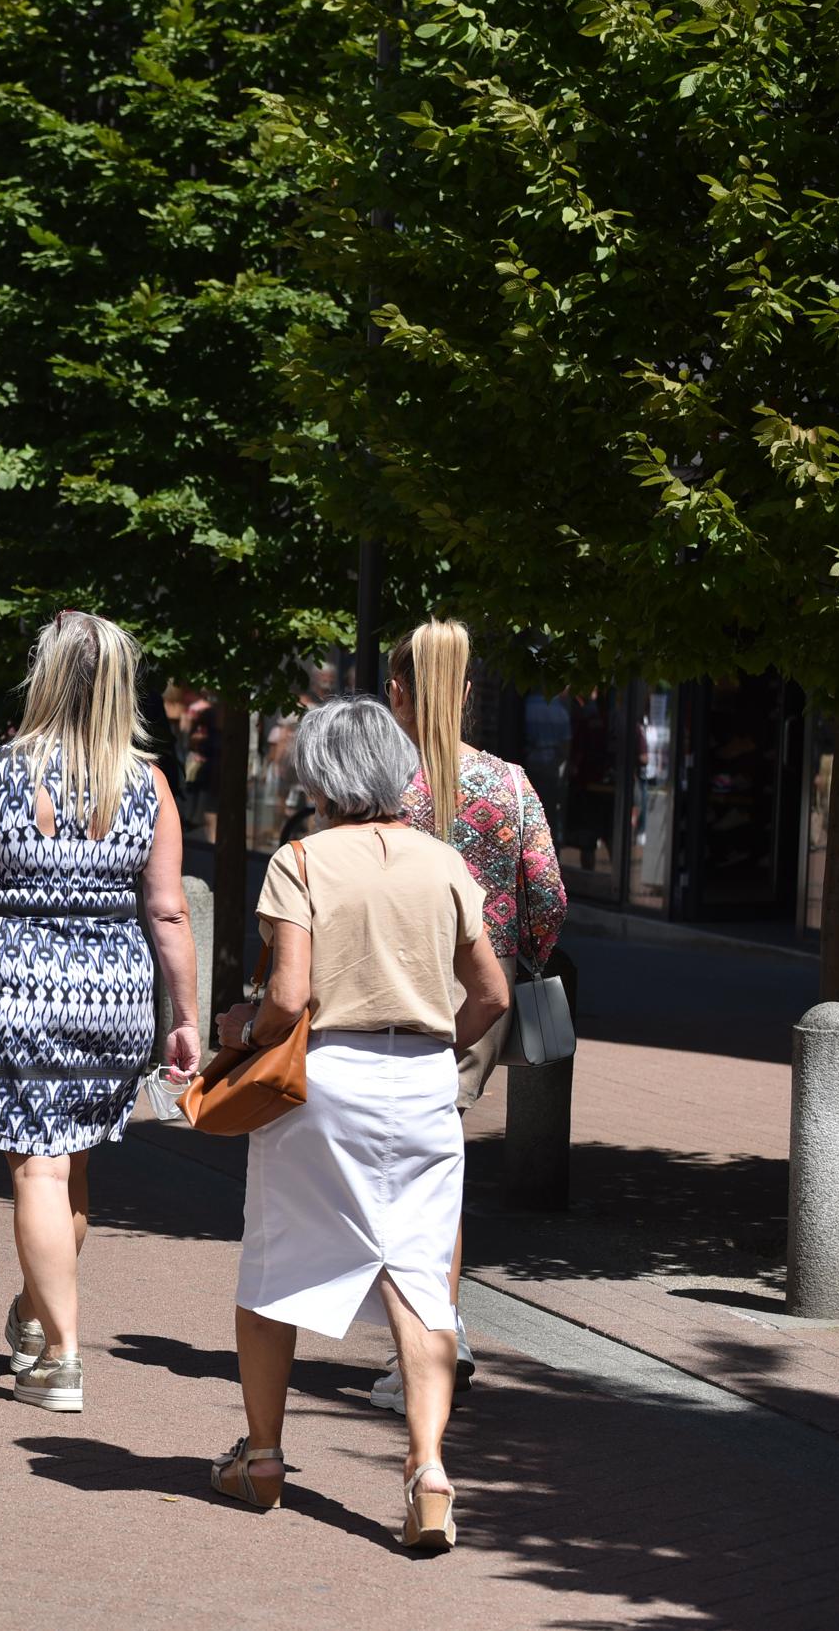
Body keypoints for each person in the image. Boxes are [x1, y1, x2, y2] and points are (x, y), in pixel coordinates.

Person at [206, 694, 507, 1550]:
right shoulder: (443, 861)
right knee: (422, 1280)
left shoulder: (301, 860)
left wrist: (243, 1029)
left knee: (273, 1268)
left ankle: (263, 1457)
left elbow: (291, 995)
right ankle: (428, 1470)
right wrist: (438, 1049)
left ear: (320, 771)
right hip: (420, 1081)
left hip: (325, 1077)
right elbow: (490, 993)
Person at [0, 611, 199, 1413]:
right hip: (114, 991)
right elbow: (170, 912)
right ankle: (39, 1317)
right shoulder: (147, 784)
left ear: (41, 679)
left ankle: (62, 1360)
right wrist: (183, 1015)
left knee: (38, 1166)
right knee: (71, 1165)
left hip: (18, 989)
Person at [381, 618, 568, 1410]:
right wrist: (519, 948)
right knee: (435, 1162)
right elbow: (549, 894)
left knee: (396, 1175)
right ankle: (438, 1329)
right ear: (464, 693)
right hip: (477, 996)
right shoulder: (509, 782)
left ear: (397, 692)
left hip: (389, 987)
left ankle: (430, 1338)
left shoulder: (382, 785)